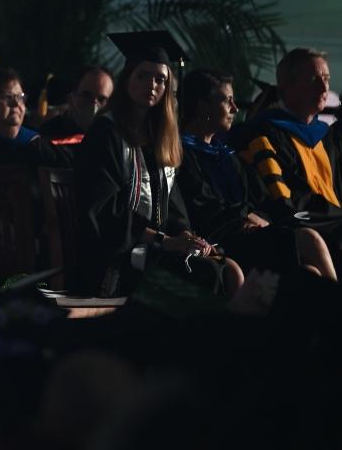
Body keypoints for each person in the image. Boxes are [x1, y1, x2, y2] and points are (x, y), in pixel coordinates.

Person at [76, 31, 243, 296]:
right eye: (143, 75)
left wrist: (187, 236)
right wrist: (163, 240)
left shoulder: (160, 139)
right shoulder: (106, 133)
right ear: (127, 78)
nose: (151, 84)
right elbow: (104, 211)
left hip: (154, 251)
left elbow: (173, 207)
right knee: (208, 275)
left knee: (230, 268)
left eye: (160, 79)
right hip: (116, 259)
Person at [179, 69, 335, 279]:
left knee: (310, 273)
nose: (235, 108)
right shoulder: (182, 154)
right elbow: (202, 204)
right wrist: (244, 217)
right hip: (220, 239)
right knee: (308, 239)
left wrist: (257, 218)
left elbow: (260, 198)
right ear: (202, 106)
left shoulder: (227, 155)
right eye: (228, 101)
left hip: (251, 233)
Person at [236, 48, 342, 257]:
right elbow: (287, 199)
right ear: (286, 85)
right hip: (300, 222)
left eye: (327, 78)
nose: (324, 87)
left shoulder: (325, 137)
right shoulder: (265, 133)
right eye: (313, 79)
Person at [38, 65, 114, 145]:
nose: (94, 105)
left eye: (102, 100)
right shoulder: (47, 138)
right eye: (86, 96)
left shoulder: (112, 142)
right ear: (71, 99)